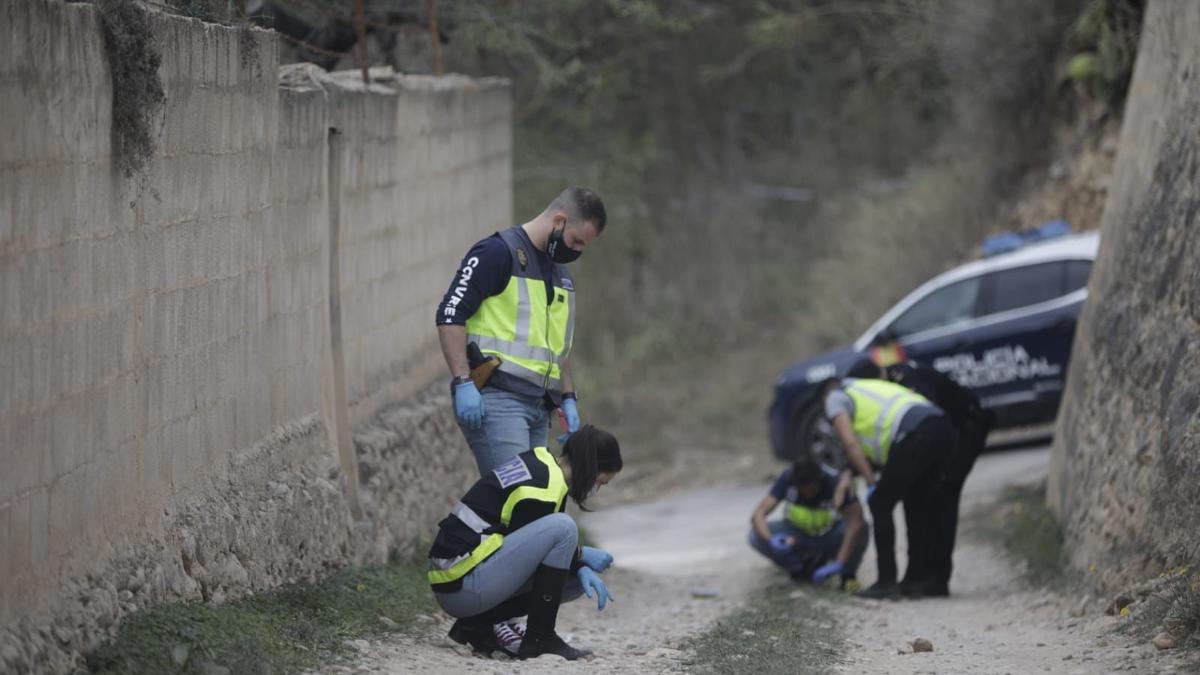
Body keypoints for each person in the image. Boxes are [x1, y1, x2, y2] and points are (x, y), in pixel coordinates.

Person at [435, 187, 608, 475]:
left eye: (583, 247)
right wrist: (462, 382)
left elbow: (559, 345)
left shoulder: (560, 274)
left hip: (539, 408)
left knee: (530, 505)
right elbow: (450, 314)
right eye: (576, 241)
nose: (576, 251)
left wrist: (568, 398)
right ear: (559, 221)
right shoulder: (496, 252)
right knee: (517, 500)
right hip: (498, 400)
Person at [428, 425, 622, 660]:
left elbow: (526, 551)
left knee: (573, 581)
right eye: (600, 482)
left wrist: (578, 566)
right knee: (564, 527)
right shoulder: (542, 489)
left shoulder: (542, 463)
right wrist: (580, 555)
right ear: (590, 467)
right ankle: (540, 638)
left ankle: (474, 627)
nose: (596, 489)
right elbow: (532, 555)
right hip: (461, 586)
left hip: (458, 579)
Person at [847, 353, 994, 596]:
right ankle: (916, 577)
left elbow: (930, 415)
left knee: (943, 499)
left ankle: (937, 579)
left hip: (965, 429)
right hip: (943, 434)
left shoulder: (910, 380)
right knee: (916, 499)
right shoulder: (892, 381)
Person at [819, 376, 957, 599]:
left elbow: (850, 443)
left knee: (879, 504)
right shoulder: (868, 387)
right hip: (942, 427)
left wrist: (872, 482)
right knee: (916, 504)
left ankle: (886, 582)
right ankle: (915, 580)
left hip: (915, 434)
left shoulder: (835, 397)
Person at [748, 458, 869, 589]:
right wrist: (772, 540)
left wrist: (840, 562)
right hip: (798, 537)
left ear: (819, 482)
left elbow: (856, 522)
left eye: (811, 489)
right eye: (802, 489)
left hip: (831, 536)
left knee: (862, 528)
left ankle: (847, 574)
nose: (807, 494)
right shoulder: (788, 478)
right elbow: (758, 515)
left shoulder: (838, 483)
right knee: (756, 536)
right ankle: (798, 569)